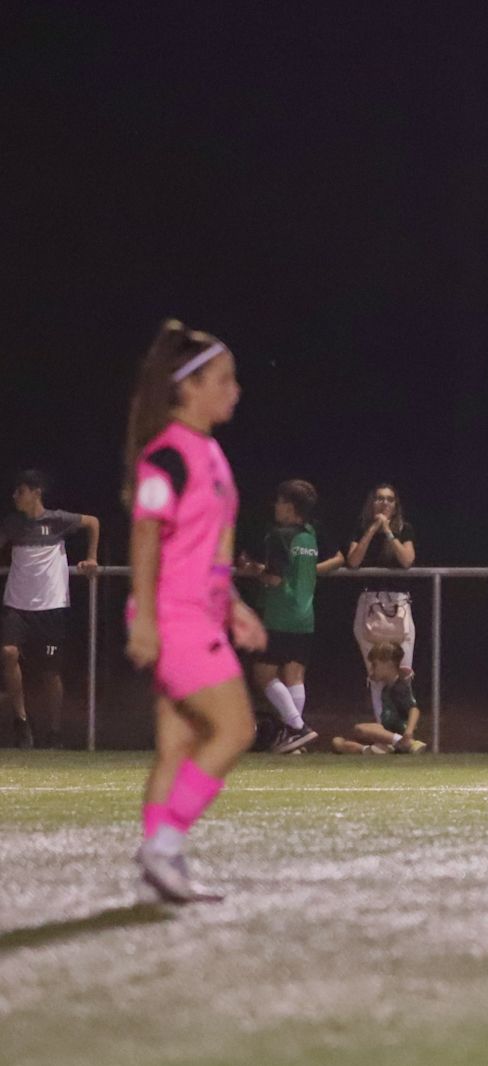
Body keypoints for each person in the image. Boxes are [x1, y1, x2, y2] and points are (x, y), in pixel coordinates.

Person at [122, 320, 267, 903]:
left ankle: (162, 863)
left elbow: (210, 548)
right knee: (235, 729)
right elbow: (146, 535)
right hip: (176, 618)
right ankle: (162, 850)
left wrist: (232, 604)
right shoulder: (169, 456)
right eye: (223, 379)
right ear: (187, 387)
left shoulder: (210, 452)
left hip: (199, 616)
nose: (235, 389)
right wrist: (148, 622)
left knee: (177, 748)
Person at [237, 479, 343, 754]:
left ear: (290, 506)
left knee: (262, 674)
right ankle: (292, 740)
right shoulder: (311, 532)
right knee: (294, 675)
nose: (276, 506)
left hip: (280, 613)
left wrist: (253, 570)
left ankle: (297, 728)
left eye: (280, 501)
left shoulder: (279, 535)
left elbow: (274, 578)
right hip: (305, 614)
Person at [0, 469, 100, 748]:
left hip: (51, 606)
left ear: (36, 492)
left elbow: (93, 522)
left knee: (50, 673)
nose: (15, 497)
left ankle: (54, 732)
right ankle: (21, 723)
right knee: (8, 653)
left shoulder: (57, 520)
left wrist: (91, 557)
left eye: (20, 491)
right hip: (17, 605)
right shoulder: (12, 524)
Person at [346, 483, 417, 717]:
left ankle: (405, 732)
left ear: (395, 505)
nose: (384, 503)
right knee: (376, 674)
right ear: (371, 502)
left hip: (398, 607)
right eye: (379, 498)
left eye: (389, 499)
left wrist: (388, 531)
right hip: (369, 606)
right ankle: (384, 732)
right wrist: (372, 530)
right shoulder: (361, 528)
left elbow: (407, 560)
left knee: (402, 673)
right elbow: (353, 561)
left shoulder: (404, 529)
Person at [330, 642, 427, 754]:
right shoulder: (386, 690)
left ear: (389, 664)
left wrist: (409, 731)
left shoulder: (400, 687)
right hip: (388, 735)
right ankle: (373, 750)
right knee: (337, 742)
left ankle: (407, 743)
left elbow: (414, 709)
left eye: (374, 665)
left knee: (360, 729)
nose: (371, 669)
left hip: (400, 734)